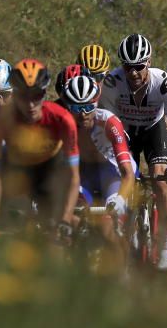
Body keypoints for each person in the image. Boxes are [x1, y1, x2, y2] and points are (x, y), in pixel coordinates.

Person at [100, 33, 167, 269]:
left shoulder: (164, 83)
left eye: (138, 67)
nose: (133, 73)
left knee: (161, 183)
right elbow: (107, 123)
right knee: (126, 181)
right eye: (127, 67)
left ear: (149, 62)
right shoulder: (112, 83)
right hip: (125, 132)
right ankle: (125, 233)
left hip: (155, 130)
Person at [0, 59, 80, 239]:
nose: (30, 105)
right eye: (23, 96)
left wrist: (65, 220)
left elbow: (73, 176)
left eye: (36, 95)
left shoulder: (62, 119)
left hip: (52, 169)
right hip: (18, 170)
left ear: (44, 92)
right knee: (13, 223)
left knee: (55, 231)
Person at [58, 72, 136, 262]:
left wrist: (120, 199)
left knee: (109, 227)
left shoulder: (109, 122)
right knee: (73, 220)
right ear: (68, 107)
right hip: (83, 176)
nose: (83, 113)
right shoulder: (63, 125)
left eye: (87, 107)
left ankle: (123, 275)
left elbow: (127, 173)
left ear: (96, 103)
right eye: (77, 108)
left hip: (113, 175)